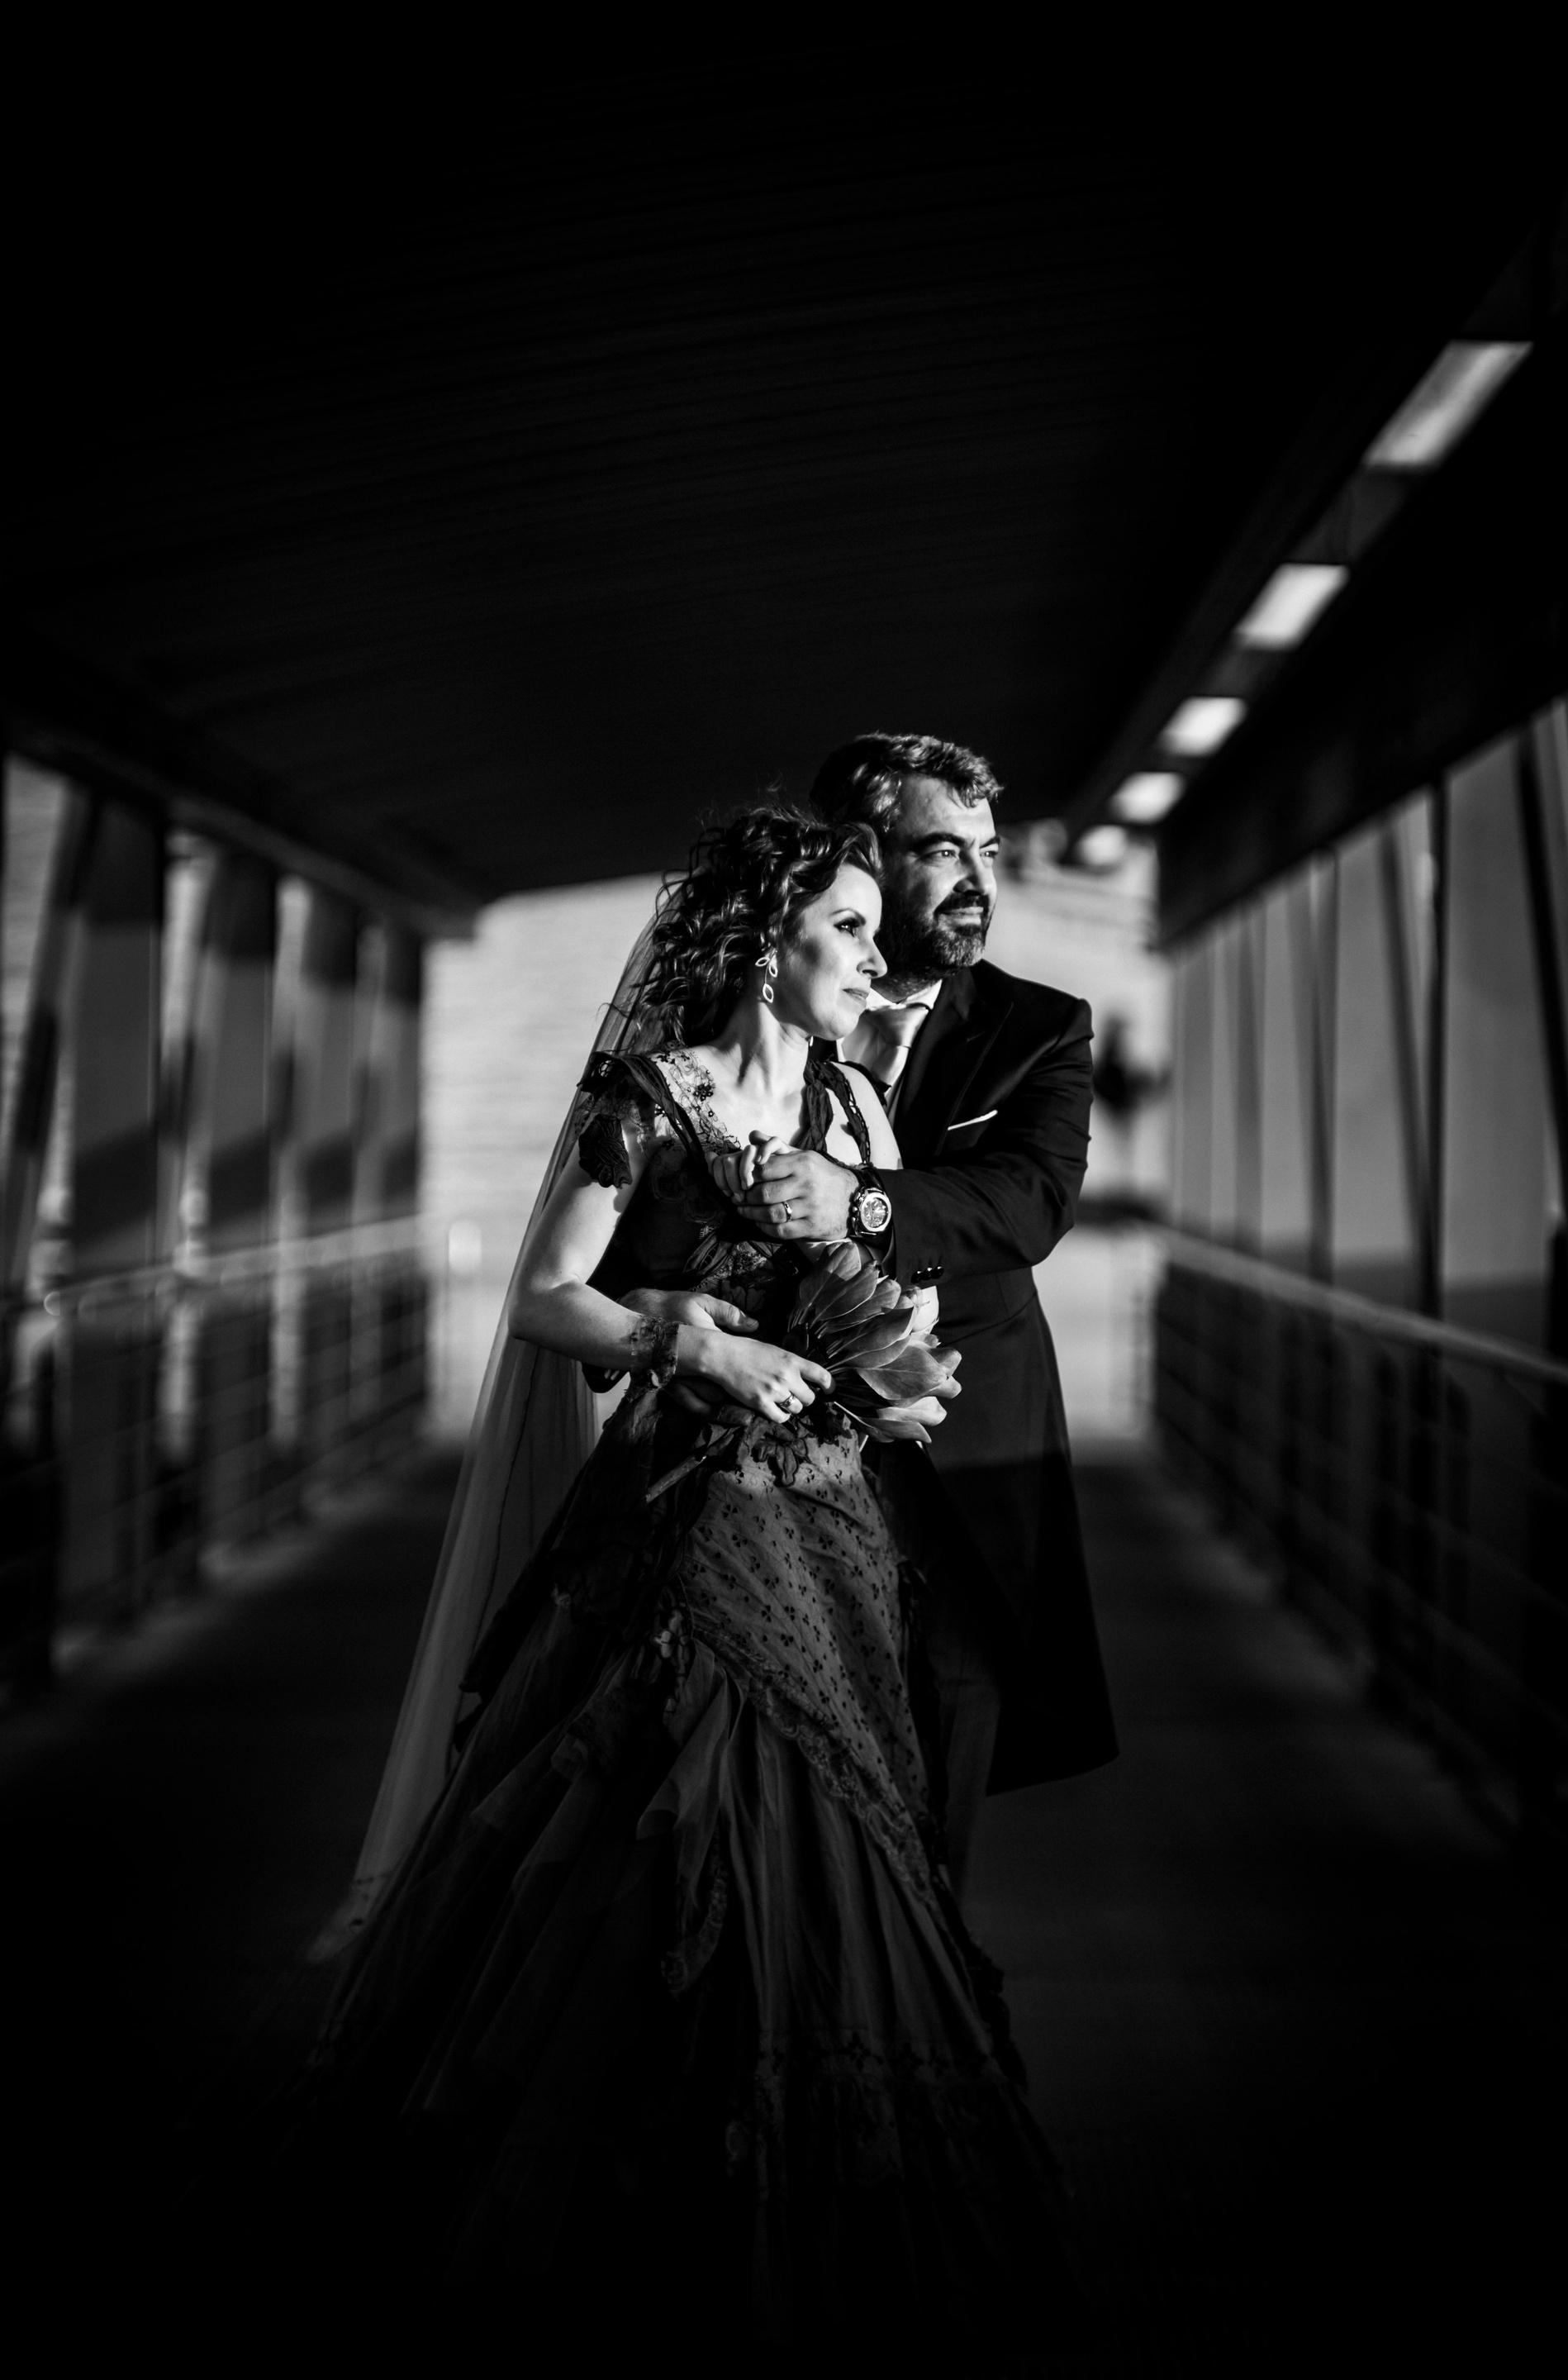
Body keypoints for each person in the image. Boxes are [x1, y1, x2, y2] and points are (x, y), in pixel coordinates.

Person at [303, 808, 1082, 2369]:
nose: (873, 951)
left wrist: (890, 1367)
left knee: (849, 1813)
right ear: (765, 945)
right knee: (670, 1794)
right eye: (846, 927)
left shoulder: (856, 1105)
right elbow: (545, 1300)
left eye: (868, 926)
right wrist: (690, 1342)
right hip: (682, 1510)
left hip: (834, 1521)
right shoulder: (650, 1101)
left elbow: (896, 1294)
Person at [724, 734, 1116, 1892]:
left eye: (989, 852)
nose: (978, 881)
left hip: (967, 1455)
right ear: (862, 851)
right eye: (945, 851)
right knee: (775, 1756)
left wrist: (863, 1201)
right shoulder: (748, 1008)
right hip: (769, 1454)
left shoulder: (1041, 1028)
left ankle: (924, 1969)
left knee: (943, 1756)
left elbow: (1030, 1203)